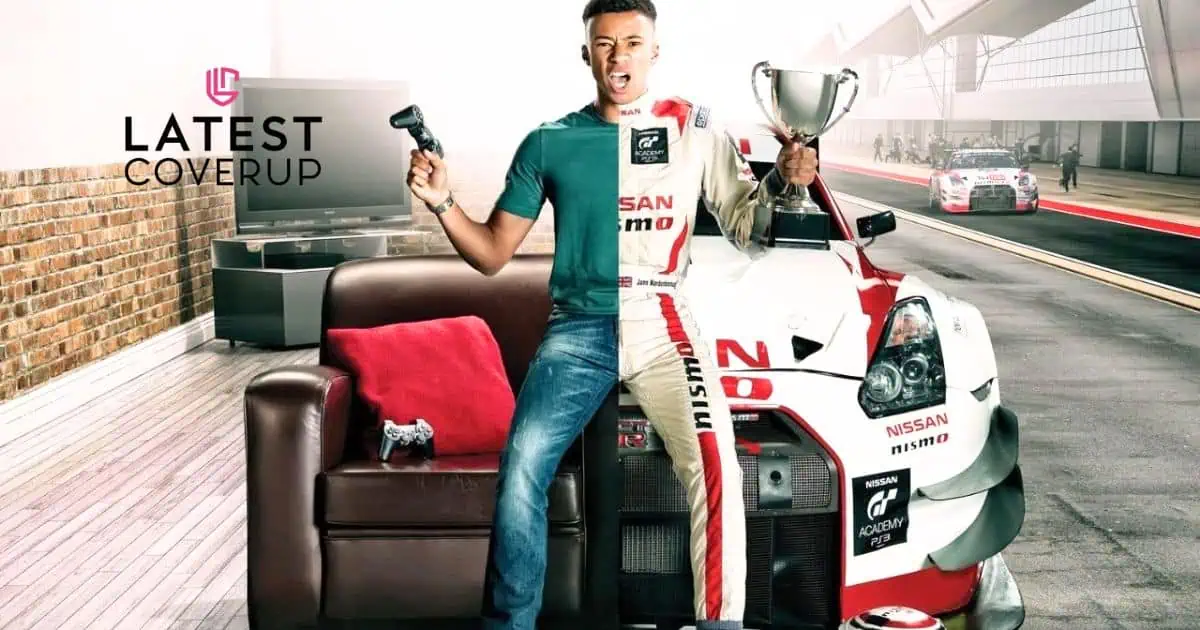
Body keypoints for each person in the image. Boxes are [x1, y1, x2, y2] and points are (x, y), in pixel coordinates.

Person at [405, 1, 816, 628]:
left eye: (632, 42)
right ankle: (509, 623)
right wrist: (442, 202)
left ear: (655, 52)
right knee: (519, 471)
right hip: (578, 326)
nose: (618, 55)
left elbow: (747, 227)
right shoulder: (549, 141)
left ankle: (721, 623)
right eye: (604, 44)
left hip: (663, 319)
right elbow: (491, 253)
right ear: (586, 54)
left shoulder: (694, 127)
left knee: (717, 468)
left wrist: (787, 185)